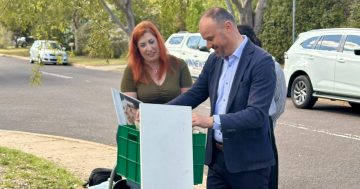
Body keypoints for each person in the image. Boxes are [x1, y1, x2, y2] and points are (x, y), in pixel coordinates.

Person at [169, 7, 276, 188]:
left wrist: (211, 121)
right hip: (217, 162)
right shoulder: (214, 60)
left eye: (210, 38)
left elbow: (256, 114)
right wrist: (156, 111)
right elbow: (195, 94)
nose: (208, 45)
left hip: (249, 164)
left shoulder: (261, 61)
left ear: (228, 27)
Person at [237, 24, 287, 189]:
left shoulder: (271, 65)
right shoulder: (228, 64)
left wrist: (267, 123)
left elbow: (279, 102)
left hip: (263, 132)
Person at [121, 20, 193, 104]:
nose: (149, 48)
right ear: (137, 49)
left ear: (158, 41)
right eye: (143, 45)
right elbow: (130, 108)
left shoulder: (179, 65)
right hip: (145, 117)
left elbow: (188, 101)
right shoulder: (131, 70)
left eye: (151, 42)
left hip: (175, 116)